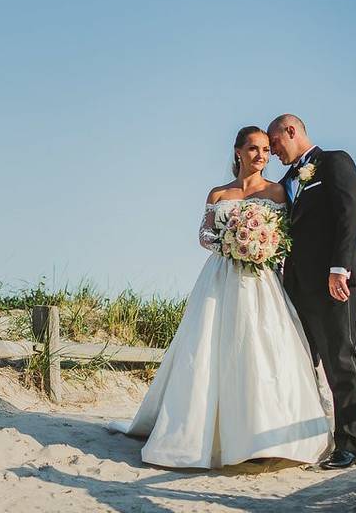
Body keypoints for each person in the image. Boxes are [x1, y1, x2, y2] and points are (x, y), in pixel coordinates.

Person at [107, 126, 333, 468]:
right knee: (210, 348)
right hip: (220, 277)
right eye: (254, 149)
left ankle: (268, 435)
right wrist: (232, 244)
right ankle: (201, 435)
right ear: (238, 152)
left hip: (263, 281)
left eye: (266, 150)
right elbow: (204, 235)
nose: (261, 155)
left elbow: (286, 239)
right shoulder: (218, 193)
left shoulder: (277, 192)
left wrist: (261, 247)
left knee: (264, 350)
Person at [267, 113, 356, 470]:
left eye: (275, 143)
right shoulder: (286, 180)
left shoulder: (334, 162)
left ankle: (350, 444)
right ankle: (311, 436)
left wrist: (339, 268)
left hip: (334, 281)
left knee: (339, 358)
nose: (271, 152)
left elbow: (349, 214)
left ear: (291, 131)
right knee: (302, 361)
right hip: (297, 285)